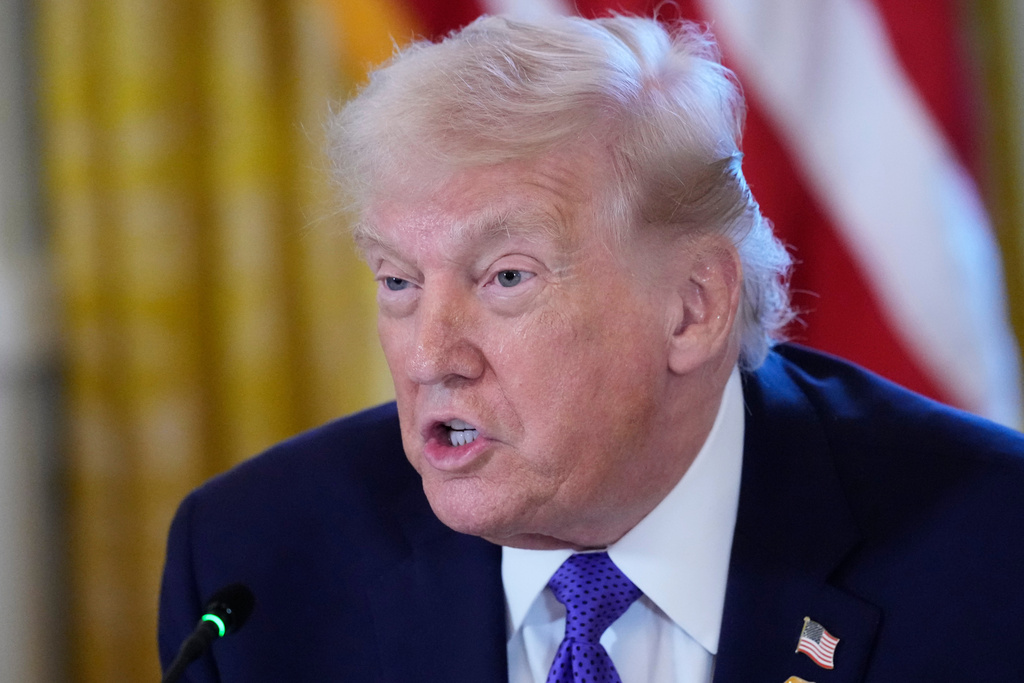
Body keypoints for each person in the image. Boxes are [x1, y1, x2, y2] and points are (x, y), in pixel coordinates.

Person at [159, 14, 1024, 682]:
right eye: (398, 281)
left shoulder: (989, 548)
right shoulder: (256, 562)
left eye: (504, 278)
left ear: (694, 307)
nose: (429, 356)